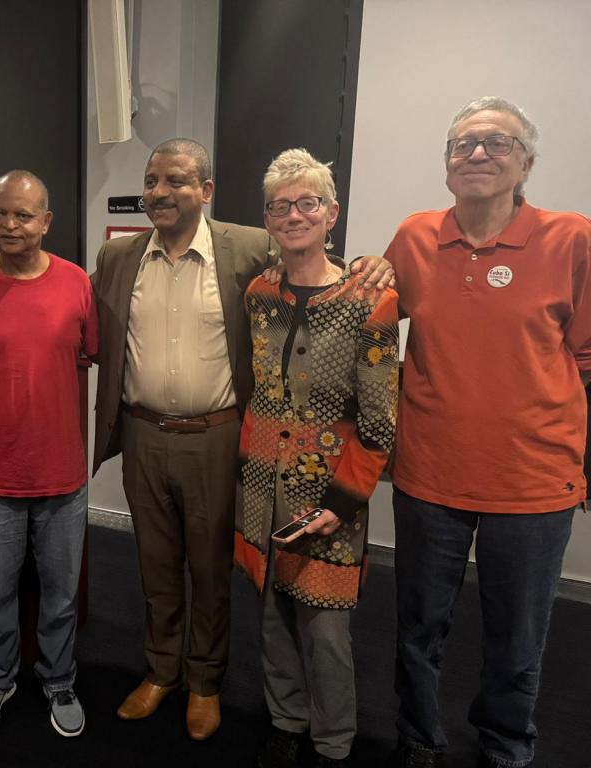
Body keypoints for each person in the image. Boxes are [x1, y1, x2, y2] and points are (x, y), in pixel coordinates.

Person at [90, 138, 393, 740]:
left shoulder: (249, 249)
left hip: (217, 437)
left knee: (210, 569)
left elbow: (314, 258)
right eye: (151, 181)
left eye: (176, 180)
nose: (160, 192)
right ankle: (161, 670)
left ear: (206, 190)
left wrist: (373, 264)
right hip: (143, 434)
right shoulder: (119, 257)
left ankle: (205, 681)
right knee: (154, 564)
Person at [385, 97, 591, 768]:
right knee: (418, 626)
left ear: (525, 164)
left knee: (517, 637)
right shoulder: (415, 236)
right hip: (429, 473)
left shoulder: (572, 239)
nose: (477, 153)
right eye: (462, 144)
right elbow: (371, 319)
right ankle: (418, 737)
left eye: (497, 143)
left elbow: (588, 359)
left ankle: (505, 745)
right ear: (447, 165)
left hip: (532, 481)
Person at [234, 149, 398, 768]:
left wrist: (343, 500)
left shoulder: (369, 298)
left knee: (326, 626)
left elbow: (380, 422)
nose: (293, 215)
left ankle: (333, 742)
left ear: (332, 213)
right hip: (259, 482)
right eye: (280, 206)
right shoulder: (259, 293)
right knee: (271, 613)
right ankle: (285, 719)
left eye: (308, 203)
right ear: (268, 219)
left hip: (328, 492)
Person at [0, 170, 97, 739]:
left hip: (61, 475)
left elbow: (85, 363)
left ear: (46, 222)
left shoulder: (76, 283)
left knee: (60, 596)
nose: (10, 225)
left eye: (23, 215)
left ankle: (59, 678)